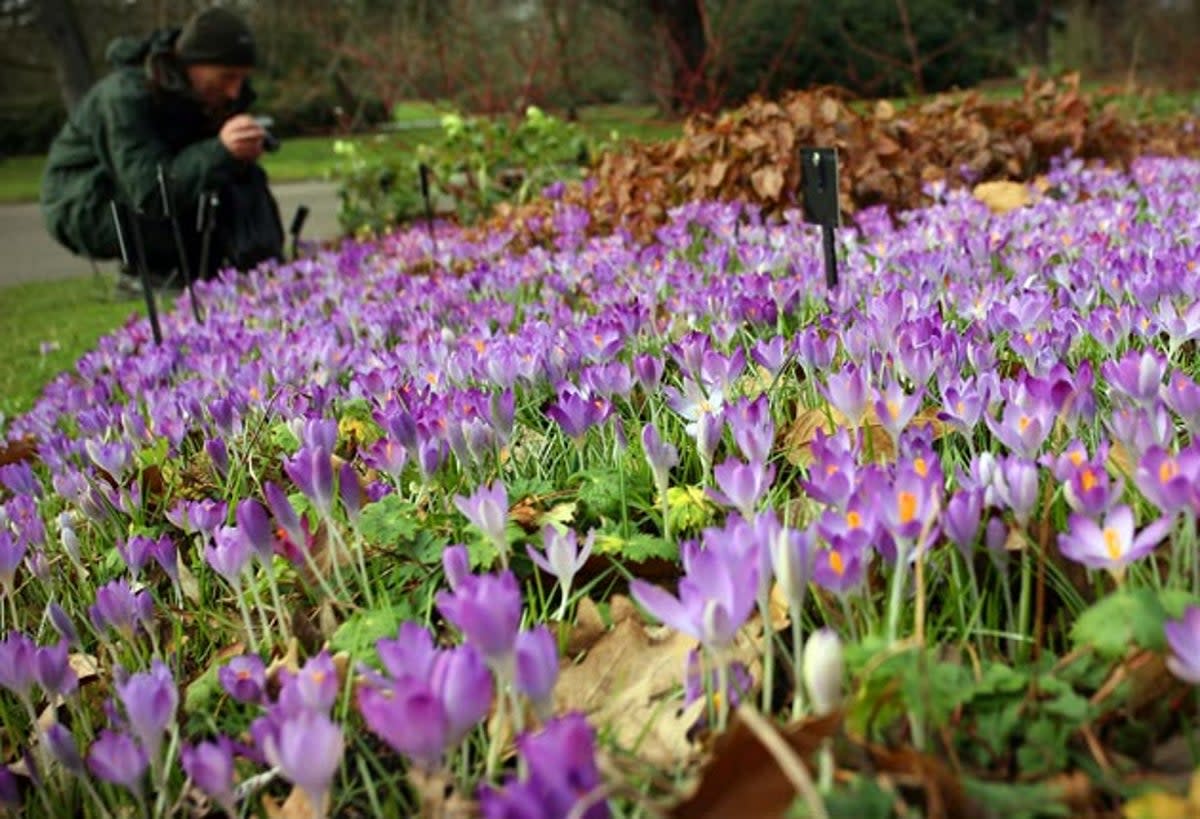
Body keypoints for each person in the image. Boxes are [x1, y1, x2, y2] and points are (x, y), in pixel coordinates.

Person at [40, 7, 283, 294]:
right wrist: (220, 151)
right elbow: (150, 192)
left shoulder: (211, 94)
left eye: (241, 78)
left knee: (244, 177)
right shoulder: (124, 96)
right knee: (208, 180)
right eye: (226, 77)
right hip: (87, 203)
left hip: (148, 186)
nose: (234, 91)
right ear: (191, 64)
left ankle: (260, 269)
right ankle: (152, 273)